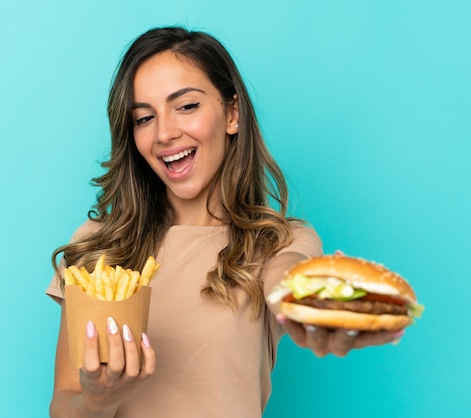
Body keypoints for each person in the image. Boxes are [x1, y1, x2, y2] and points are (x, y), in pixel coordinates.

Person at [45, 26, 401, 417]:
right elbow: (64, 403)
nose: (164, 132)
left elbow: (287, 277)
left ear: (232, 113)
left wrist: (311, 304)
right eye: (144, 117)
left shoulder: (277, 243)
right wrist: (98, 399)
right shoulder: (97, 247)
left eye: (186, 106)